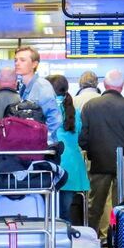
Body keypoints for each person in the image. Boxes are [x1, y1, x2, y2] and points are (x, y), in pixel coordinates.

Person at [79, 70, 124, 238]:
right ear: (121, 87)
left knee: (95, 208)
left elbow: (83, 138)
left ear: (105, 85)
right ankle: (121, 246)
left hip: (98, 164)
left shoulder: (91, 106)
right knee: (121, 208)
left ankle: (91, 242)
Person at [47, 75, 90, 224]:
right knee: (66, 212)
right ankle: (67, 242)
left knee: (50, 212)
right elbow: (80, 136)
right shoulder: (74, 111)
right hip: (72, 166)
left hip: (52, 164)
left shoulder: (46, 110)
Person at [14, 46, 62, 141]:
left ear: (34, 64)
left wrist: (43, 142)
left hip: (40, 150)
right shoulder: (24, 88)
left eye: (22, 60)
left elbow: (55, 120)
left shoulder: (42, 87)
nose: (17, 63)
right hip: (29, 148)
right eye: (16, 60)